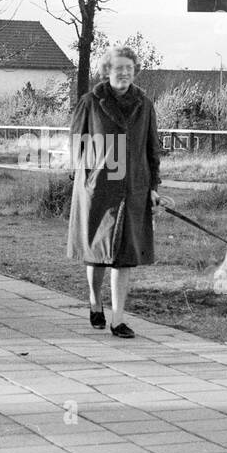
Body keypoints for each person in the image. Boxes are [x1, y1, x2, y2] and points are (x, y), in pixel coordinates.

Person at [66, 46, 161, 339]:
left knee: (124, 256)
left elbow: (151, 149)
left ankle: (118, 319)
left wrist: (153, 187)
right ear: (107, 70)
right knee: (96, 254)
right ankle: (95, 303)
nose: (123, 74)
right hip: (98, 188)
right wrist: (86, 179)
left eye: (129, 69)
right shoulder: (91, 102)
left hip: (133, 188)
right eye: (118, 68)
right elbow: (75, 144)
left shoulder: (144, 104)